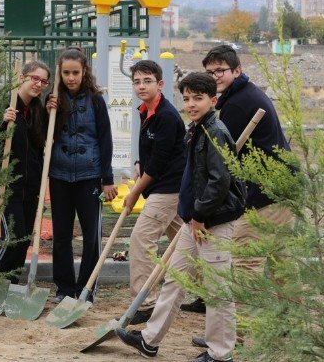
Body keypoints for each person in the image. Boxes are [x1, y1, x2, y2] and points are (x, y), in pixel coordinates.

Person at [116, 72, 246, 362]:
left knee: (217, 288)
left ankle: (221, 354)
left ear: (213, 100)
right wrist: (192, 216)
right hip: (193, 221)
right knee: (175, 279)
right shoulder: (197, 129)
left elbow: (219, 181)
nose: (191, 104)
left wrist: (199, 215)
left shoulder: (215, 132)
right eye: (186, 98)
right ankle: (149, 340)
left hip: (213, 222)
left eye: (198, 99)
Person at [183, 45, 296, 345]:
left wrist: (203, 210)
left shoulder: (238, 105)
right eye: (210, 71)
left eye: (220, 70)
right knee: (280, 263)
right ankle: (290, 322)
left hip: (266, 197)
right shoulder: (239, 96)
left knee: (245, 263)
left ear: (237, 70)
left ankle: (237, 336)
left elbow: (218, 163)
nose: (215, 76)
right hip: (280, 191)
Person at [48, 46, 116, 304]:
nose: (71, 78)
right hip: (59, 175)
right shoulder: (53, 98)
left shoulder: (95, 99)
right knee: (61, 234)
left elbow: (105, 138)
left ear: (84, 71)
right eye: (66, 72)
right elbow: (45, 133)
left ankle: (87, 288)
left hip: (90, 175)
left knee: (92, 234)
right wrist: (48, 109)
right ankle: (64, 288)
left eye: (75, 72)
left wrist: (107, 177)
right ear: (60, 72)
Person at [123, 60, 185, 325]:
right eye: (137, 81)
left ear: (160, 84)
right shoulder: (145, 110)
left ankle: (145, 303)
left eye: (147, 81)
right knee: (190, 245)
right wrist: (139, 163)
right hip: (165, 186)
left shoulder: (167, 116)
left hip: (169, 189)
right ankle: (211, 292)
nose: (141, 86)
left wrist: (135, 191)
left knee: (140, 239)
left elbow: (159, 164)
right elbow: (151, 152)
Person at [0, 60, 57, 281]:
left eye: (43, 81)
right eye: (35, 78)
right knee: (12, 236)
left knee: (24, 238)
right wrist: (2, 123)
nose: (38, 84)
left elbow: (42, 143)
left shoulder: (37, 111)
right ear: (22, 77)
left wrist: (53, 111)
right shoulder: (7, 105)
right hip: (7, 184)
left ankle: (10, 280)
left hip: (30, 185)